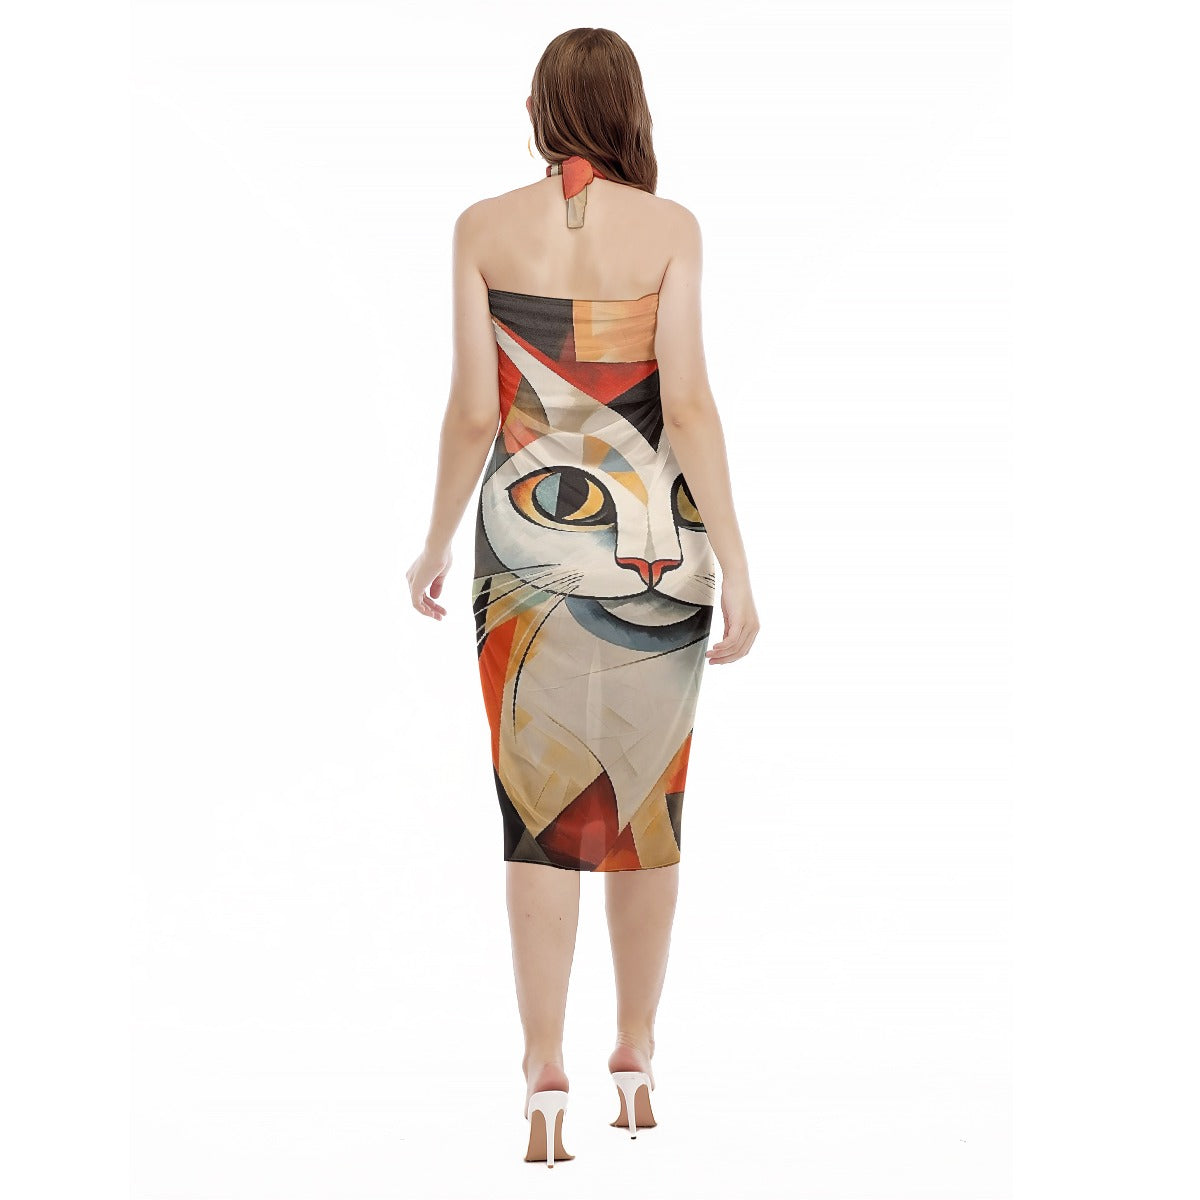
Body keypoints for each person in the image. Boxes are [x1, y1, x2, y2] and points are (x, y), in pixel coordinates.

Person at [405, 27, 760, 1166]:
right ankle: (636, 1053)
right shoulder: (670, 229)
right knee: (649, 806)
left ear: (538, 110)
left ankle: (543, 1067)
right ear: (630, 111)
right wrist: (740, 564)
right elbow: (687, 405)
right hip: (662, 549)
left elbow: (476, 412)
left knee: (538, 816)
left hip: (529, 560)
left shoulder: (481, 229)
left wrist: (431, 544)